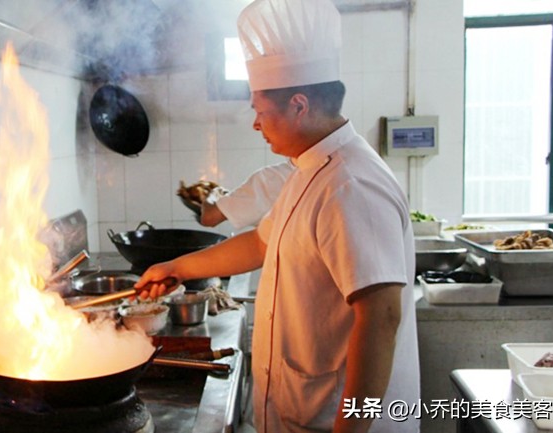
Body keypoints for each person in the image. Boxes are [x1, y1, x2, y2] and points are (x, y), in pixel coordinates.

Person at [136, 0, 421, 432]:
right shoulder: (309, 171)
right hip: (304, 414)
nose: (255, 123)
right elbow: (260, 243)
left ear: (299, 105)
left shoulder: (350, 185)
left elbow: (381, 317)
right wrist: (176, 267)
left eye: (260, 111)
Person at [199, 160, 295, 229]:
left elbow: (209, 217)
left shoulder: (271, 178)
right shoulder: (303, 172)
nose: (258, 130)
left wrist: (214, 193)